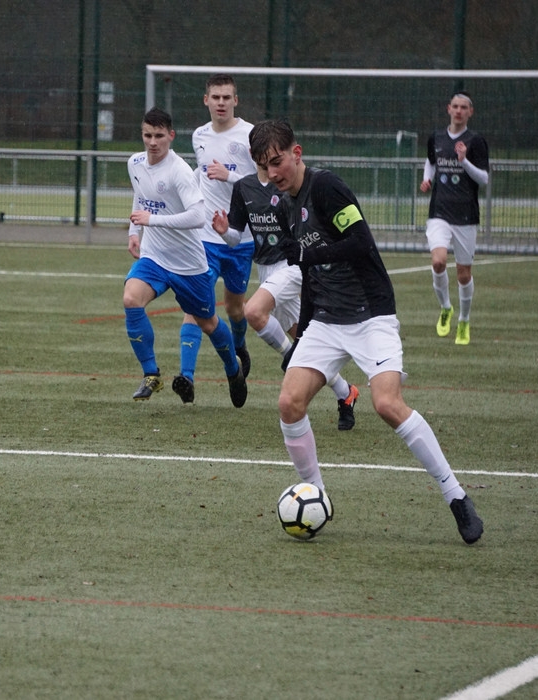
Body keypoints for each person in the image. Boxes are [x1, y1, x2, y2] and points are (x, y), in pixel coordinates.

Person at [249, 119, 483, 544]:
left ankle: (456, 496)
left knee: (387, 404)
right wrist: (302, 331)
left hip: (371, 314)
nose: (273, 174)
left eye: (277, 162)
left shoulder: (327, 187)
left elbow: (359, 242)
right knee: (289, 402)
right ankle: (316, 493)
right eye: (264, 168)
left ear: (296, 153)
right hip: (325, 318)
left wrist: (311, 251)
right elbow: (307, 268)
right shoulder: (284, 205)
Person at [212, 165, 360, 431]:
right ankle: (346, 392)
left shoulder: (286, 185)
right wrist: (223, 231)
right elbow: (235, 238)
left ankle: (290, 354)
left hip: (292, 265)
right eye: (262, 154)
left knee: (254, 312)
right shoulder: (243, 187)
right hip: (266, 269)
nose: (268, 161)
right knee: (309, 347)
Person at [124, 108, 247, 408]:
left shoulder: (179, 171)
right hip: (154, 257)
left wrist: (151, 221)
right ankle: (151, 373)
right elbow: (141, 197)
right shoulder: (135, 163)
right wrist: (134, 231)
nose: (153, 142)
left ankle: (233, 370)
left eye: (159, 136)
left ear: (171, 136)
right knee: (131, 300)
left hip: (189, 264)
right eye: (147, 135)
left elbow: (196, 217)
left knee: (208, 323)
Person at [172, 74, 258, 405]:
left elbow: (261, 183)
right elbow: (200, 176)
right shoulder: (199, 136)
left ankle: (238, 347)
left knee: (235, 307)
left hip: (239, 237)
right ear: (205, 100)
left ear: (235, 100)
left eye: (227, 97)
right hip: (204, 238)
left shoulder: (250, 135)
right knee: (194, 306)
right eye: (215, 97)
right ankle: (187, 377)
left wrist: (230, 175)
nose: (221, 102)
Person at [420, 91, 490, 346]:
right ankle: (446, 308)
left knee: (463, 274)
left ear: (470, 112)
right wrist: (427, 178)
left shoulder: (476, 141)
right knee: (438, 262)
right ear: (448, 109)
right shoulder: (436, 138)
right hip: (439, 212)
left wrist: (464, 161)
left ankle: (464, 320)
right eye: (456, 106)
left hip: (466, 216)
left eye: (464, 107)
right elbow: (430, 162)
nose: (459, 111)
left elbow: (484, 178)